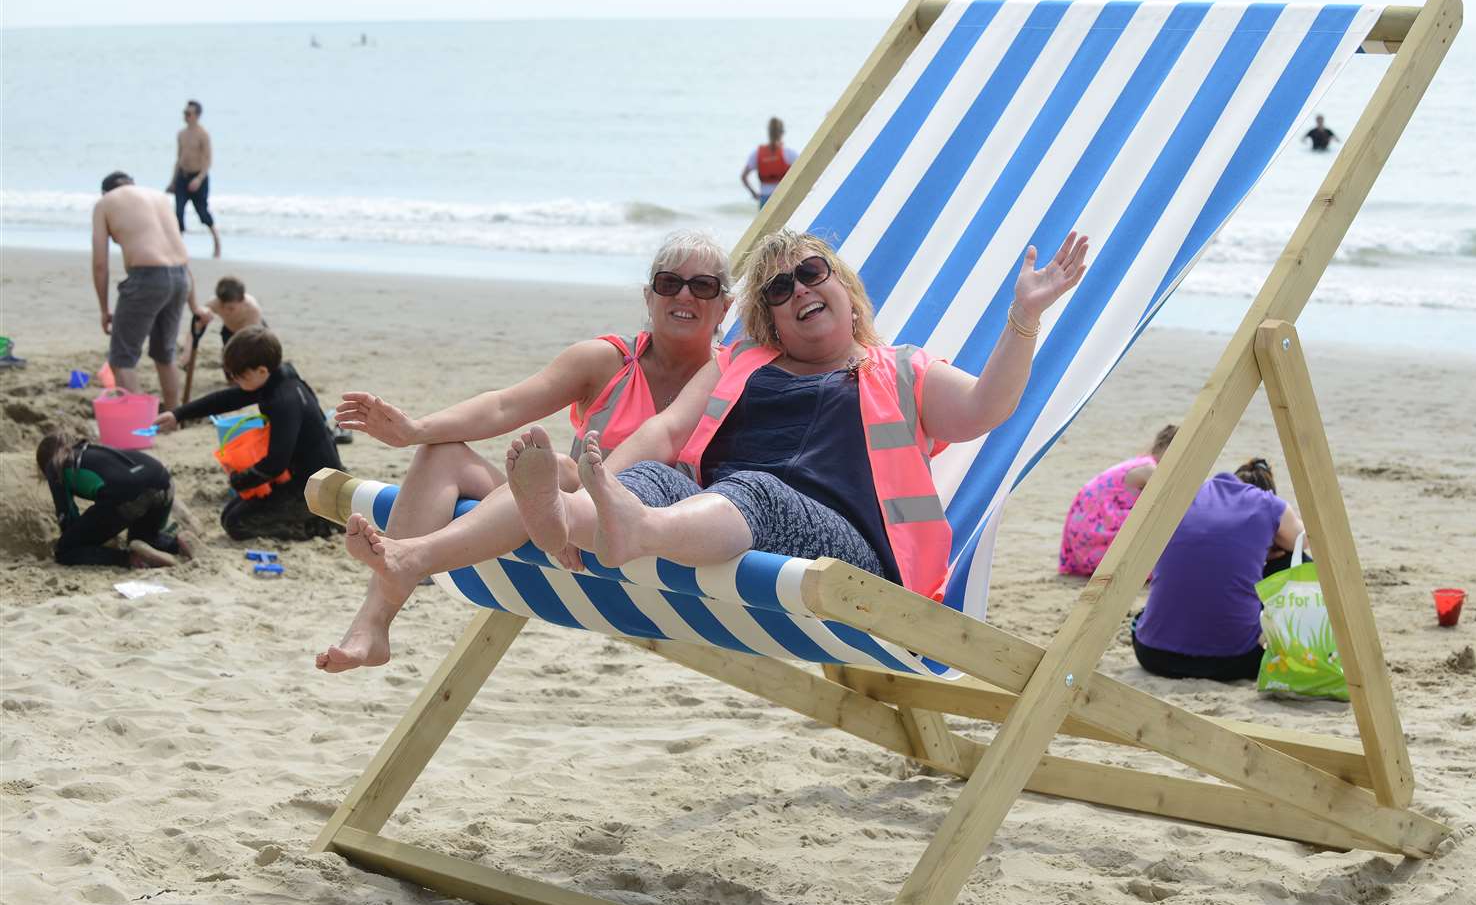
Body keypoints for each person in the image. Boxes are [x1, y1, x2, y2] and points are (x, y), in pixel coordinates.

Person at [331, 226, 1090, 674]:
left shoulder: (904, 370)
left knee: (750, 491)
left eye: (810, 275)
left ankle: (620, 527)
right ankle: (584, 521)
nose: (797, 291)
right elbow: (664, 435)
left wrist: (1023, 318)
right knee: (657, 477)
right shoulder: (743, 366)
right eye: (779, 292)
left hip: (846, 547)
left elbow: (988, 408)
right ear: (767, 323)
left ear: (847, 291)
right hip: (715, 513)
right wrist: (598, 481)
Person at [315, 229, 735, 673]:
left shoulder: (733, 380)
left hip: (649, 545)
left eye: (702, 285)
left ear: (725, 305)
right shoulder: (606, 361)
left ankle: (414, 556)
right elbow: (504, 405)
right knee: (443, 453)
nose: (683, 294)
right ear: (649, 297)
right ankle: (372, 626)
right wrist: (414, 430)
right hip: (555, 526)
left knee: (558, 471)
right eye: (670, 283)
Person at [156, 326, 343, 541]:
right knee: (229, 513)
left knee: (236, 523)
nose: (237, 382)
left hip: (317, 487)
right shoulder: (278, 377)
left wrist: (240, 480)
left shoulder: (283, 401)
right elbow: (227, 399)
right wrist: (178, 415)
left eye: (241, 377)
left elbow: (275, 463)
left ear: (262, 371)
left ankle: (320, 526)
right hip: (310, 475)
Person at [1130, 457, 1308, 682]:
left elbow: (1134, 475)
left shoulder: (1186, 494)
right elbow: (1302, 541)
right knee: (1296, 558)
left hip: (1154, 655)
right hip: (1234, 661)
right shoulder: (1269, 504)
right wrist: (1264, 545)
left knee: (1142, 616)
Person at [92, 171, 206, 410]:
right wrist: (195, 305)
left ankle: (137, 420)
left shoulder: (105, 203)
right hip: (181, 277)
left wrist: (104, 309)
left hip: (147, 277)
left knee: (122, 358)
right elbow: (181, 256)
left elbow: (100, 264)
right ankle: (173, 416)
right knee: (165, 354)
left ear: (106, 192)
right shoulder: (159, 198)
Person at [36, 432, 189, 568]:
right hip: (163, 481)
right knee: (144, 538)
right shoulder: (93, 450)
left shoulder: (55, 465)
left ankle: (132, 559)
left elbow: (67, 515)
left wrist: (80, 539)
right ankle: (178, 544)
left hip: (128, 493)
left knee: (66, 550)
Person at [1058, 423, 1178, 578]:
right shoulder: (1149, 469)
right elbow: (1175, 498)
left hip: (1083, 543)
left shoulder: (1140, 462)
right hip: (1096, 538)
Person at [166, 100, 220, 258]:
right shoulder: (181, 134)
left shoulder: (203, 135)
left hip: (198, 178)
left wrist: (199, 178)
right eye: (185, 113)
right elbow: (179, 158)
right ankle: (177, 246)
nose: (186, 116)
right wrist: (173, 181)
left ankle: (216, 239)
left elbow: (208, 160)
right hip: (182, 177)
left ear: (197, 115)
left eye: (189, 114)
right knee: (179, 211)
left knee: (202, 212)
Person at [178, 276, 266, 369]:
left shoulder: (252, 309)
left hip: (253, 333)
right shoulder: (214, 303)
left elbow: (252, 341)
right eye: (222, 306)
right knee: (229, 365)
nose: (226, 311)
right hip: (229, 330)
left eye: (231, 308)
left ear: (242, 300)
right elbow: (195, 329)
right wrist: (187, 353)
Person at [741, 118, 798, 209]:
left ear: (769, 133)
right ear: (782, 133)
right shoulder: (788, 153)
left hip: (764, 199)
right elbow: (804, 171)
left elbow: (743, 177)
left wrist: (754, 194)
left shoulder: (756, 154)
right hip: (782, 198)